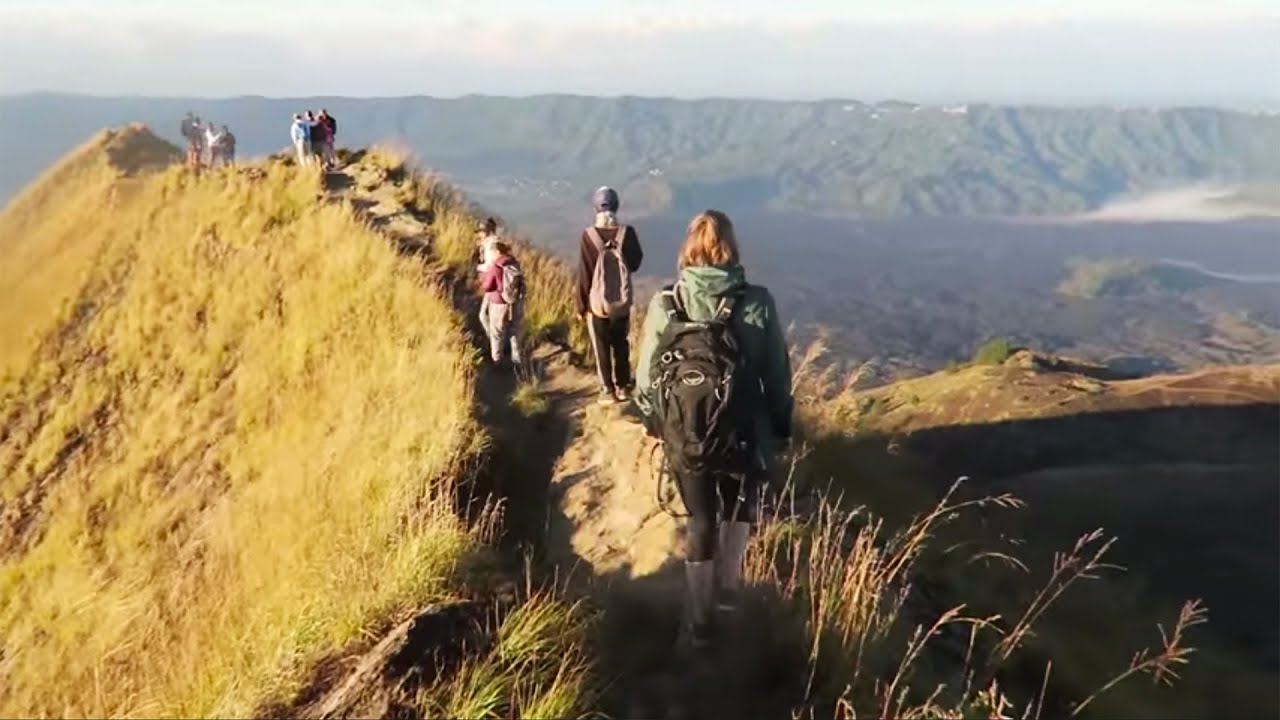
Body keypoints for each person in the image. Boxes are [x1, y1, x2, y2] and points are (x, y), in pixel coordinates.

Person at [634, 209, 793, 651]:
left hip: (686, 434)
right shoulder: (757, 302)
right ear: (731, 248)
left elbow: (647, 376)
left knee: (701, 519)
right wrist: (781, 425)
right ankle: (728, 593)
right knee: (740, 507)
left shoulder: (666, 303)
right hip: (744, 431)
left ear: (689, 248)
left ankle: (698, 621)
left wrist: (653, 421)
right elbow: (777, 374)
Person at [577, 186, 643, 405]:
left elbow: (585, 273)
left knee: (601, 345)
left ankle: (608, 391)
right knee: (621, 343)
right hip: (622, 302)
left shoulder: (588, 236)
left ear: (595, 208)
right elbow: (635, 264)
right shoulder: (627, 233)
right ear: (616, 206)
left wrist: (581, 305)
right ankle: (624, 387)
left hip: (597, 305)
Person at [478, 240, 526, 366]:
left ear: (497, 252)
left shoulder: (496, 267)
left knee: (496, 334)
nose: (492, 256)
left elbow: (488, 286)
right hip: (515, 303)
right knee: (514, 331)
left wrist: (483, 277)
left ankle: (497, 361)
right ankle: (517, 360)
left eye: (492, 253)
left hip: (498, 304)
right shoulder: (514, 263)